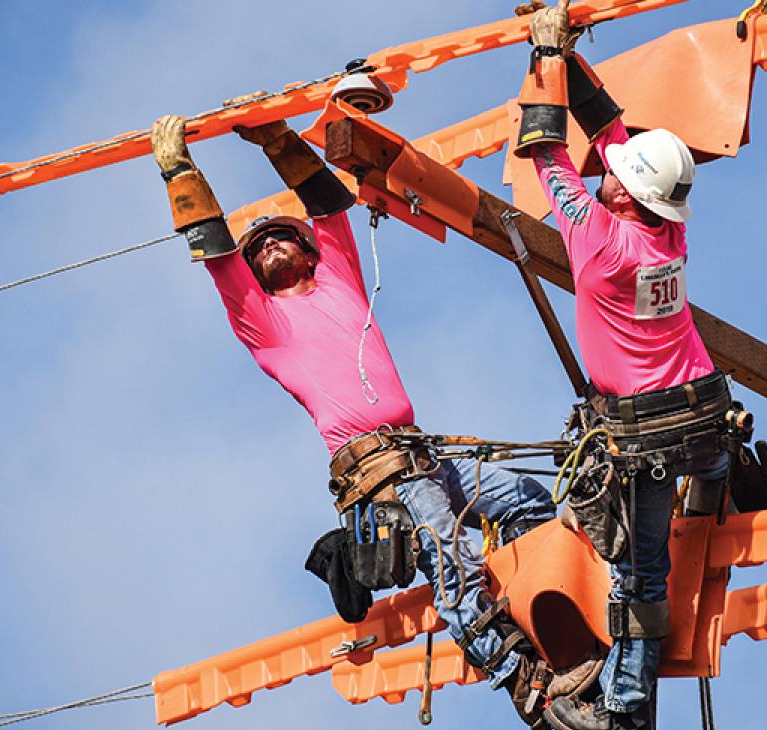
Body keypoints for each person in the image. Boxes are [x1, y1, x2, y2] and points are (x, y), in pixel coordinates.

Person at [148, 114, 556, 725]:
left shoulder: (340, 281)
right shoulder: (265, 327)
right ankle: (527, 681)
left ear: (312, 251)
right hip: (381, 474)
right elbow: (215, 252)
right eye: (257, 248)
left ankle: (545, 602)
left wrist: (279, 141)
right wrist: (179, 169)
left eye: (280, 237)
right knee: (451, 560)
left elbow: (327, 202)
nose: (267, 245)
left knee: (527, 500)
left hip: (423, 455)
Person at [512, 2, 733, 728]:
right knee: (707, 476)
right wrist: (565, 57)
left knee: (641, 575)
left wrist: (542, 63)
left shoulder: (601, 246)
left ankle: (626, 700)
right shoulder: (667, 233)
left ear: (622, 192)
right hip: (703, 411)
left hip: (650, 434)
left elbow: (545, 154)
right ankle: (713, 491)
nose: (606, 165)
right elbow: (609, 131)